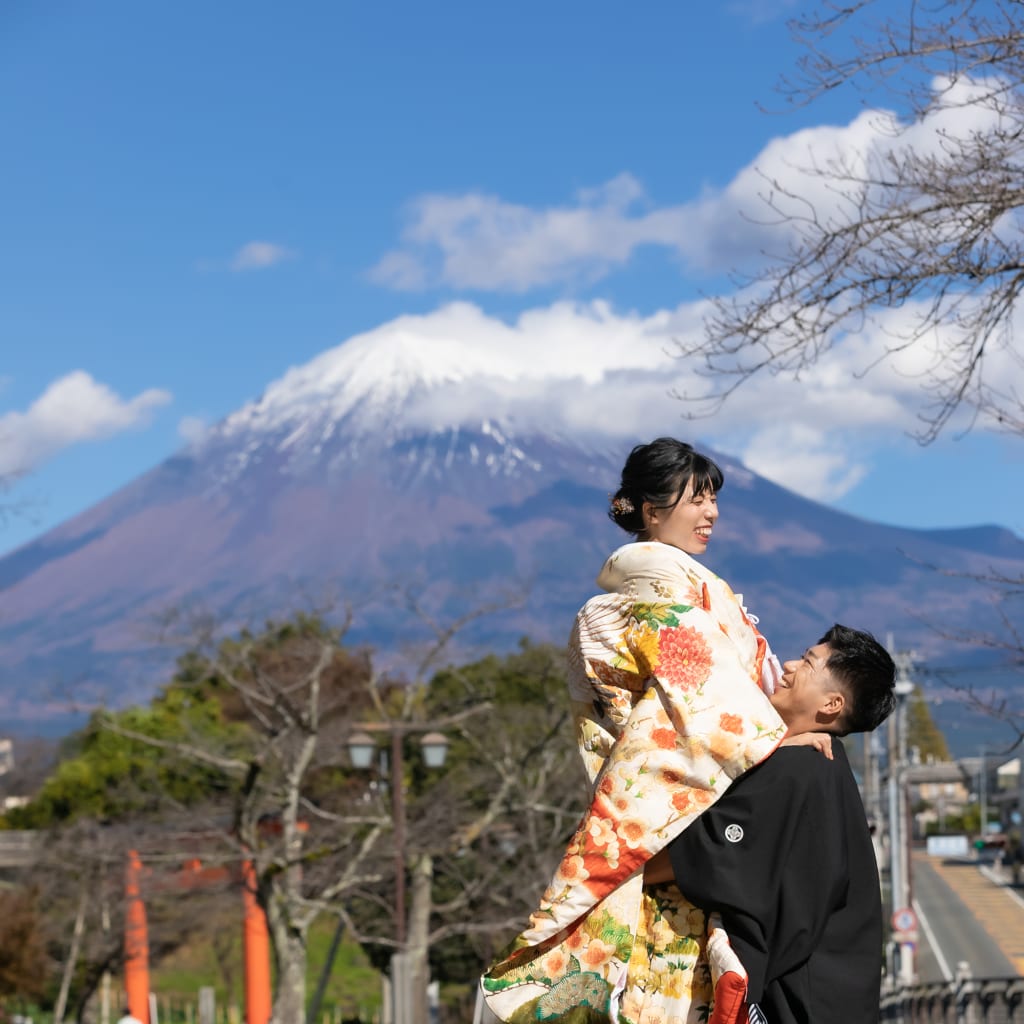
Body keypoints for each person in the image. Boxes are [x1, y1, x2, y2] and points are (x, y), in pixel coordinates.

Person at [483, 439, 819, 1024]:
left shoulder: (674, 588)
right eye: (695, 498)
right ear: (650, 511)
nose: (710, 512)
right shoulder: (647, 597)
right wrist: (786, 736)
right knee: (663, 969)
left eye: (714, 498)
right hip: (675, 803)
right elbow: (714, 703)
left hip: (682, 798)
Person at [644, 624, 897, 1023]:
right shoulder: (820, 764)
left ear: (831, 705)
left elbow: (686, 858)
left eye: (809, 663)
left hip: (799, 1007)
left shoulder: (799, 770)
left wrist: (618, 869)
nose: (791, 665)